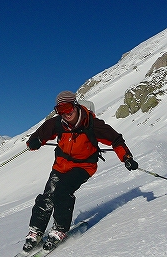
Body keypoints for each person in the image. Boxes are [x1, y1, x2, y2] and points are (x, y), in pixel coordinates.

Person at [22, 90, 138, 252]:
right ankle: (36, 231)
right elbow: (39, 136)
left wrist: (126, 158)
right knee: (48, 195)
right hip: (61, 165)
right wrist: (34, 142)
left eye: (68, 108)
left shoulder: (92, 125)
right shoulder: (57, 123)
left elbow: (115, 139)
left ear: (75, 105)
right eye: (60, 110)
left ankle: (60, 230)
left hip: (83, 166)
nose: (65, 113)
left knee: (62, 192)